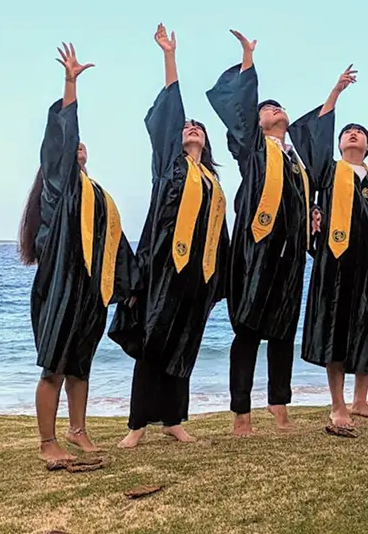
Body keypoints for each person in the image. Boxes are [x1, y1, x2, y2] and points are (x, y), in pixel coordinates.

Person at [112, 25, 229, 448]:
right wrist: (169, 56)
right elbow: (170, 114)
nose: (192, 129)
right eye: (187, 127)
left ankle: (175, 420)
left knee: (184, 345)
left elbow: (222, 233)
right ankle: (136, 426)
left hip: (196, 274)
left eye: (198, 127)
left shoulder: (213, 182)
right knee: (153, 342)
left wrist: (222, 281)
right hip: (162, 267)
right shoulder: (169, 165)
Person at [20, 43, 137, 464]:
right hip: (60, 286)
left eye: (83, 145)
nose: (79, 146)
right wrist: (70, 84)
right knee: (54, 364)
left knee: (80, 363)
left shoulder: (96, 195)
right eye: (74, 145)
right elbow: (62, 134)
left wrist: (129, 287)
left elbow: (116, 242)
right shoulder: (58, 187)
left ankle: (78, 430)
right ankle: (47, 443)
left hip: (90, 288)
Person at [289, 65, 368, 431]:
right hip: (335, 266)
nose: (353, 135)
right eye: (348, 133)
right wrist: (335, 92)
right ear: (340, 144)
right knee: (336, 332)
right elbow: (315, 139)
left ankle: (361, 400)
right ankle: (337, 405)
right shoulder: (326, 174)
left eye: (360, 133)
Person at [206, 29, 310, 435]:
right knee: (248, 331)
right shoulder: (250, 147)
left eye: (277, 107)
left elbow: (304, 198)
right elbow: (242, 108)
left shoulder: (296, 160)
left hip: (289, 255)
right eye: (266, 109)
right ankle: (241, 414)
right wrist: (248, 60)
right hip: (255, 252)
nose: (274, 111)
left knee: (283, 330)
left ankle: (280, 406)